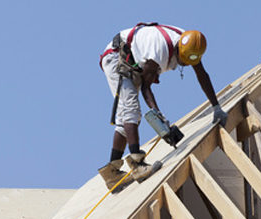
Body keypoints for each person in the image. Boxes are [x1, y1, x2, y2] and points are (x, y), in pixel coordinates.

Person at [97, 23, 227, 191]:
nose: (184, 65)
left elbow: (202, 75)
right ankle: (137, 165)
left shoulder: (190, 44)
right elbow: (146, 88)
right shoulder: (158, 52)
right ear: (178, 50)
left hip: (132, 60)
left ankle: (112, 174)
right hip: (116, 57)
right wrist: (161, 121)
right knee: (131, 110)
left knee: (125, 119)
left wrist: (216, 107)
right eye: (182, 61)